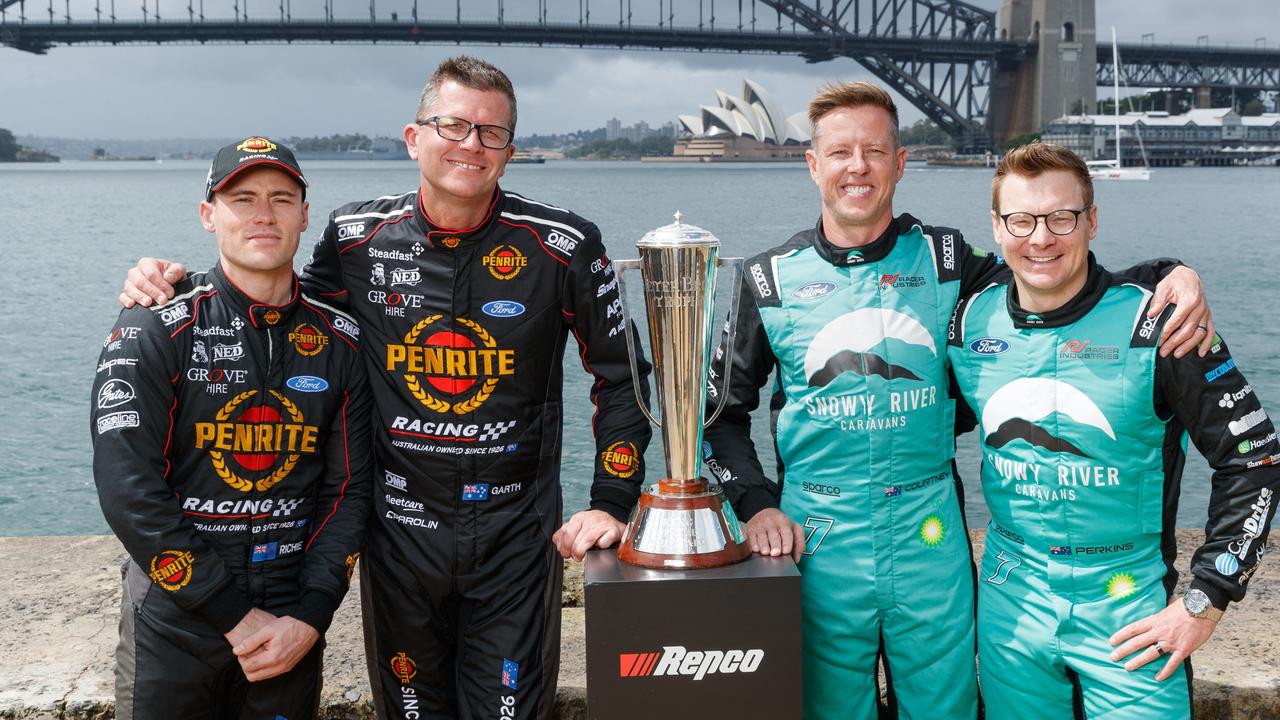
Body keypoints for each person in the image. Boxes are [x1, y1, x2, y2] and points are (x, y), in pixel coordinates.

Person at [117, 56, 651, 719]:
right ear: (414, 137)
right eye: (453, 125)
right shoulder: (355, 238)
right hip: (399, 539)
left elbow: (623, 376)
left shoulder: (564, 244)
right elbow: (277, 307)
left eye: (490, 133)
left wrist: (611, 499)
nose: (470, 145)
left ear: (510, 152)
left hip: (517, 540)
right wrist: (173, 283)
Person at [701, 82, 1213, 720]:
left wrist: (1170, 272)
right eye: (839, 153)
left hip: (929, 537)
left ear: (901, 162)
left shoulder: (950, 260)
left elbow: (1055, 274)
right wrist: (755, 505)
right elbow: (720, 414)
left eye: (874, 150)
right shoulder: (766, 277)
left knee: (946, 709)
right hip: (816, 538)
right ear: (813, 164)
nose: (857, 166)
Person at [946, 142, 1279, 719]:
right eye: (1022, 220)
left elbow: (1256, 458)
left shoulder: (1162, 324)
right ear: (997, 228)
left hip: (1128, 605)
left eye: (1061, 218)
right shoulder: (968, 319)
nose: (1041, 238)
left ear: (1092, 220)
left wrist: (1206, 600)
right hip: (1009, 602)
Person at [91, 137, 372, 720]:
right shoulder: (154, 327)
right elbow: (128, 490)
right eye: (242, 198)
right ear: (208, 216)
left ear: (304, 216)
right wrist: (231, 614)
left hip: (290, 623)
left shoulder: (342, 342)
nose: (263, 214)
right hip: (176, 619)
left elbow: (348, 492)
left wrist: (311, 617)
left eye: (281, 198)